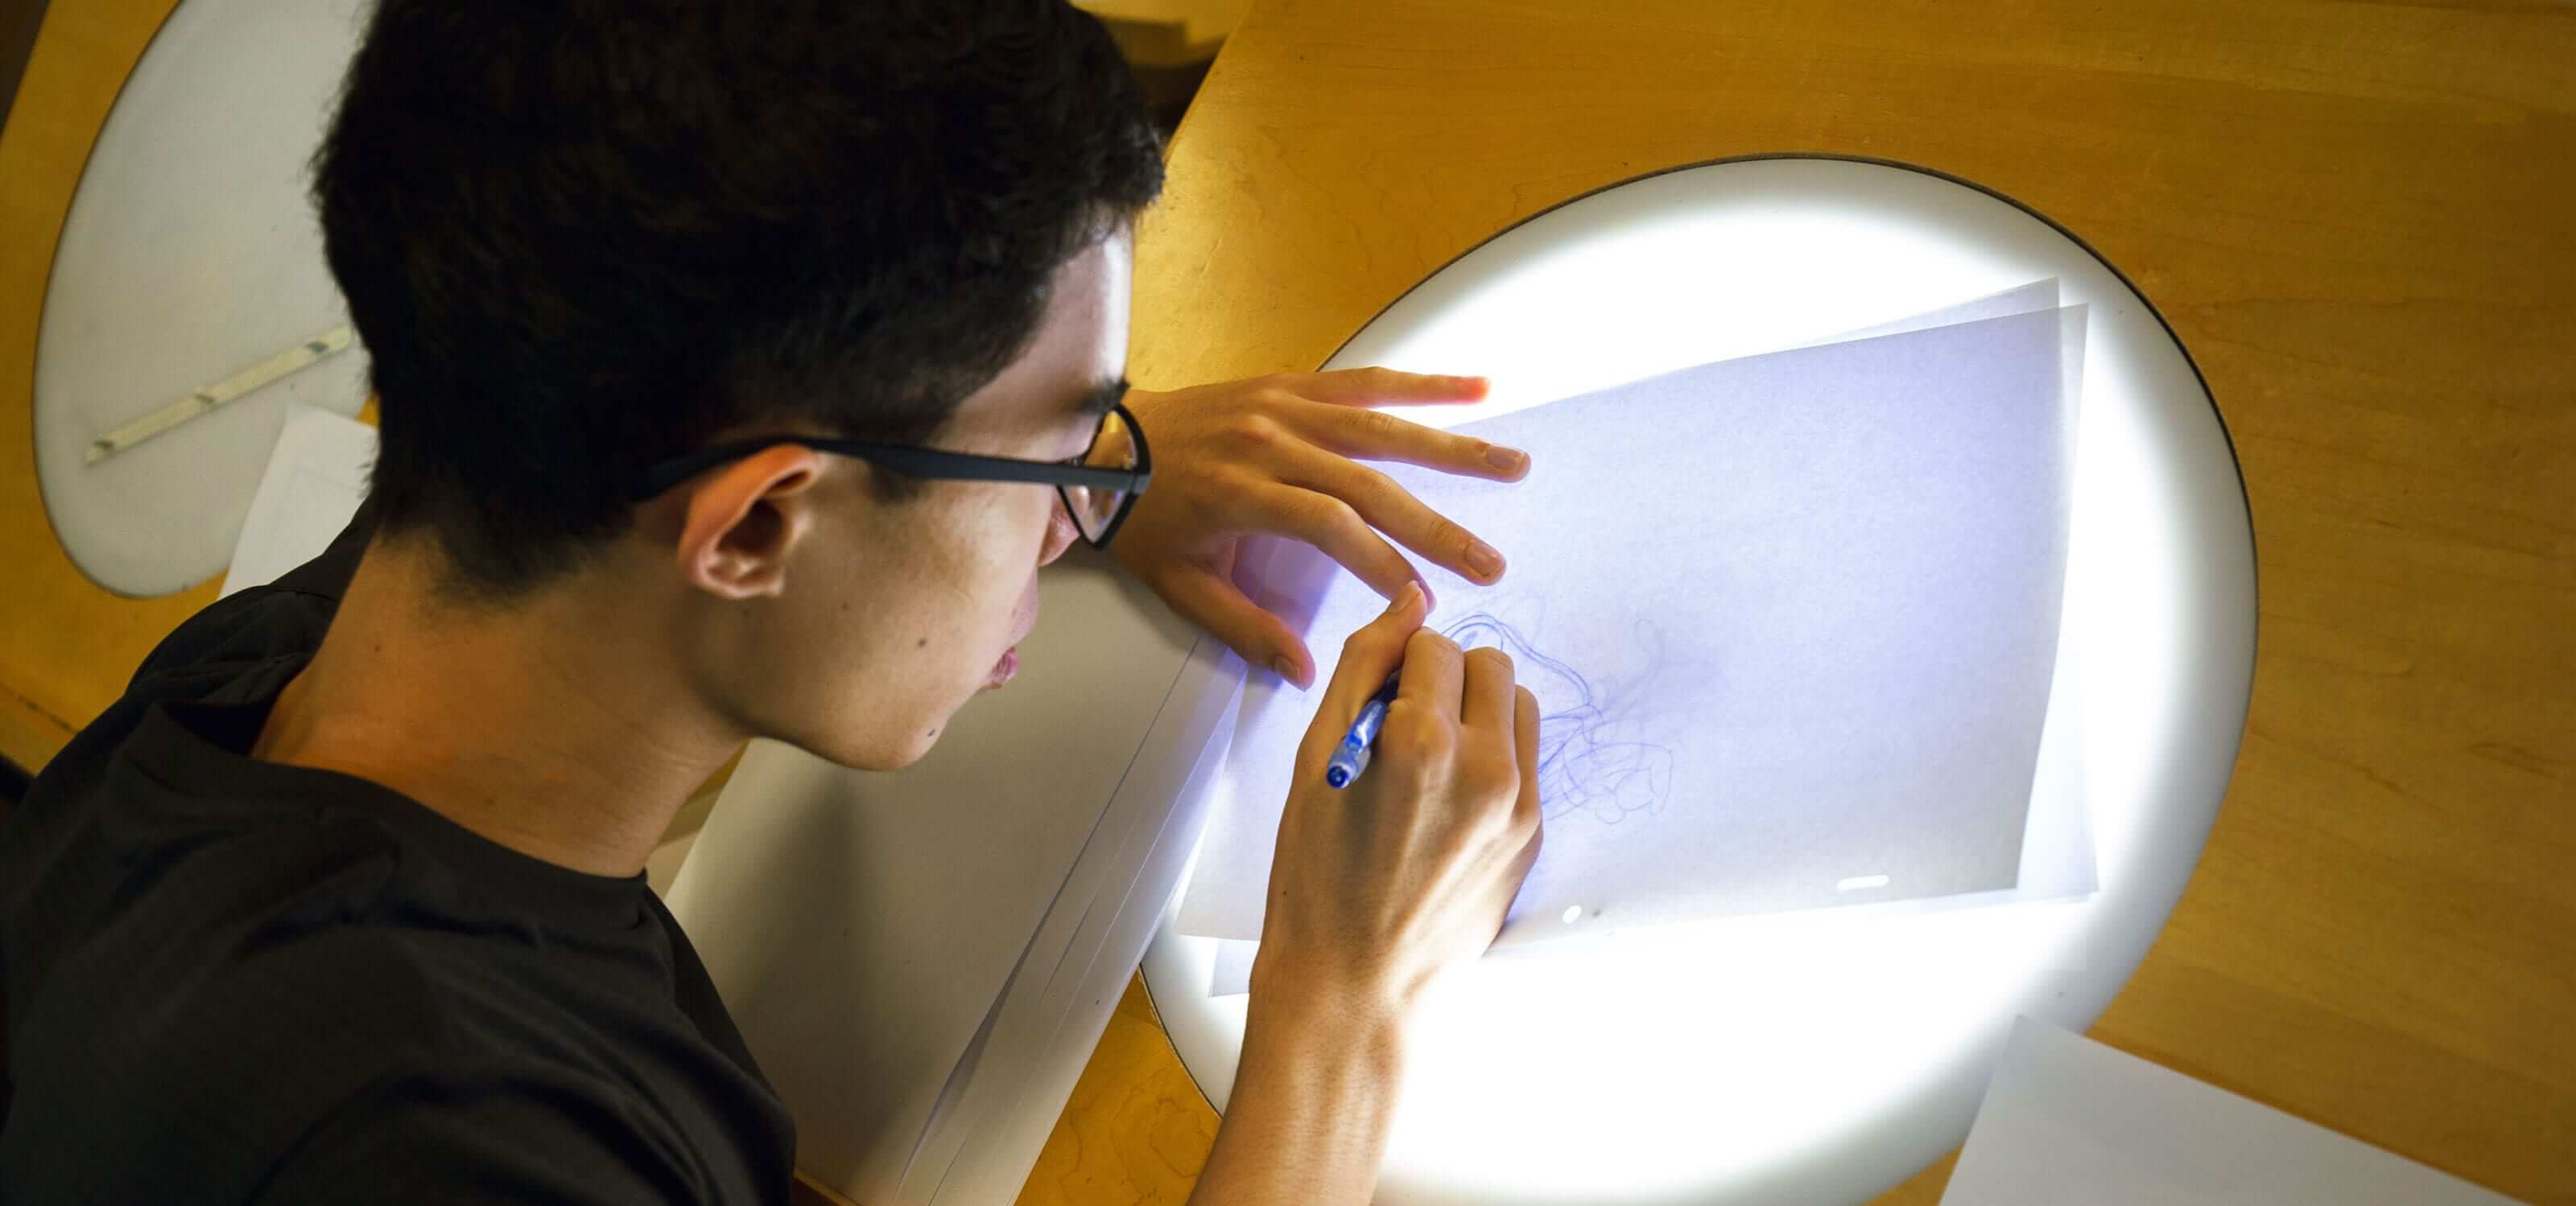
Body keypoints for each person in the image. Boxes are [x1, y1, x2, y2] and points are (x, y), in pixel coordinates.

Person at [0, 2, 1545, 1203]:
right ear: (752, 529)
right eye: (1067, 450)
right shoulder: (462, 1142)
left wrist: (999, 466)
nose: (1090, 502)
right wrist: (1341, 1015)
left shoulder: (272, 662)